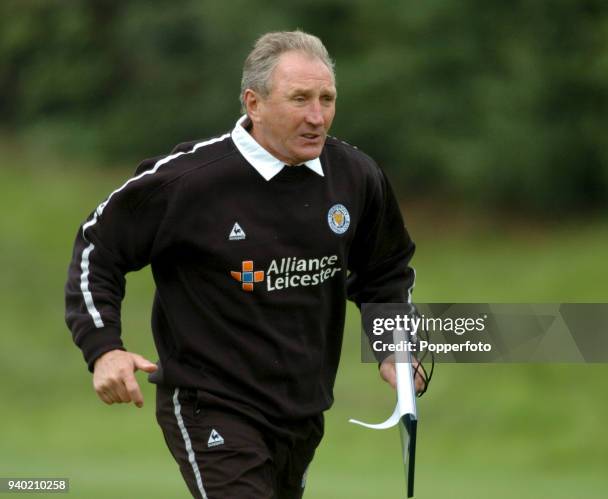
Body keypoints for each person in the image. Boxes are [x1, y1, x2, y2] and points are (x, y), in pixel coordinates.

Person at [65, 30, 426, 499]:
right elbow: (99, 246)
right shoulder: (187, 181)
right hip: (209, 403)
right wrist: (103, 347)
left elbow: (386, 272)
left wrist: (395, 348)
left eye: (327, 99)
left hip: (302, 411)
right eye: (300, 99)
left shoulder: (356, 177)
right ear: (253, 104)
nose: (317, 117)